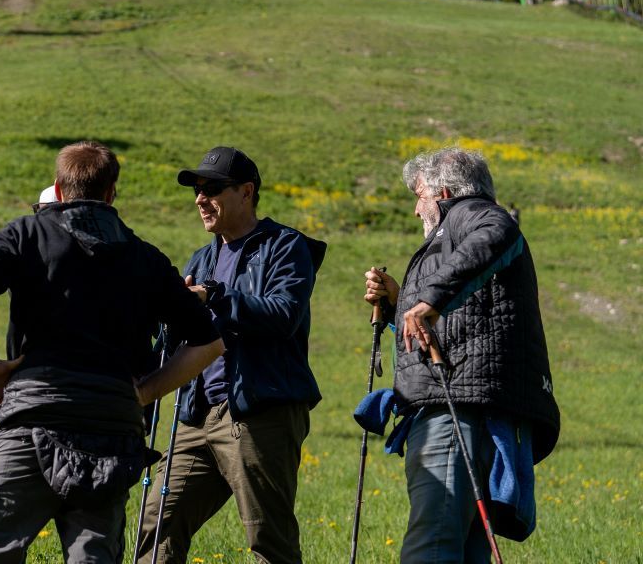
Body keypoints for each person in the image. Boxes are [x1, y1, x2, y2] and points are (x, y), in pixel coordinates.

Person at [0, 140, 225, 563]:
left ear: (58, 190)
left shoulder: (26, 233)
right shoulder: (146, 257)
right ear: (112, 193)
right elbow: (210, 342)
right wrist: (145, 392)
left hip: (35, 416)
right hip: (112, 429)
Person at [363, 147, 560, 562]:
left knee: (432, 544)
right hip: (465, 405)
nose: (417, 210)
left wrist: (430, 298)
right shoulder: (457, 231)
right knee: (465, 549)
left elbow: (498, 232)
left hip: (456, 411)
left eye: (419, 196)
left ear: (444, 192)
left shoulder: (473, 214)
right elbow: (458, 321)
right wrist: (401, 302)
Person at [137, 146, 327, 564]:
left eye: (212, 189)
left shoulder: (285, 246)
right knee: (156, 527)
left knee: (270, 540)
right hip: (196, 415)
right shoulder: (202, 258)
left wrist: (214, 295)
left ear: (246, 192)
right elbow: (177, 341)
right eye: (197, 191)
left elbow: (284, 314)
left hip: (259, 412)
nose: (200, 199)